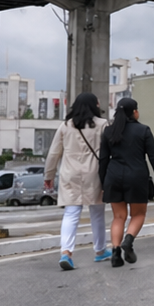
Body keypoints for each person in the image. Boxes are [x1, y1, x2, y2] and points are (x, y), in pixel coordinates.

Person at [43, 91, 110, 270]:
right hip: (94, 173)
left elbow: (54, 153)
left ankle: (66, 252)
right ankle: (100, 250)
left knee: (71, 213)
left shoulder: (65, 126)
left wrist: (48, 176)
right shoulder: (102, 124)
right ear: (94, 105)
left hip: (70, 174)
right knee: (97, 212)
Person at [98, 96, 154, 268]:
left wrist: (103, 182)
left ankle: (115, 252)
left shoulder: (109, 131)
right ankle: (128, 241)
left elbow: (103, 159)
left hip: (113, 176)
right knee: (138, 214)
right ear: (134, 112)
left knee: (118, 217)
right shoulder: (143, 130)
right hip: (136, 176)